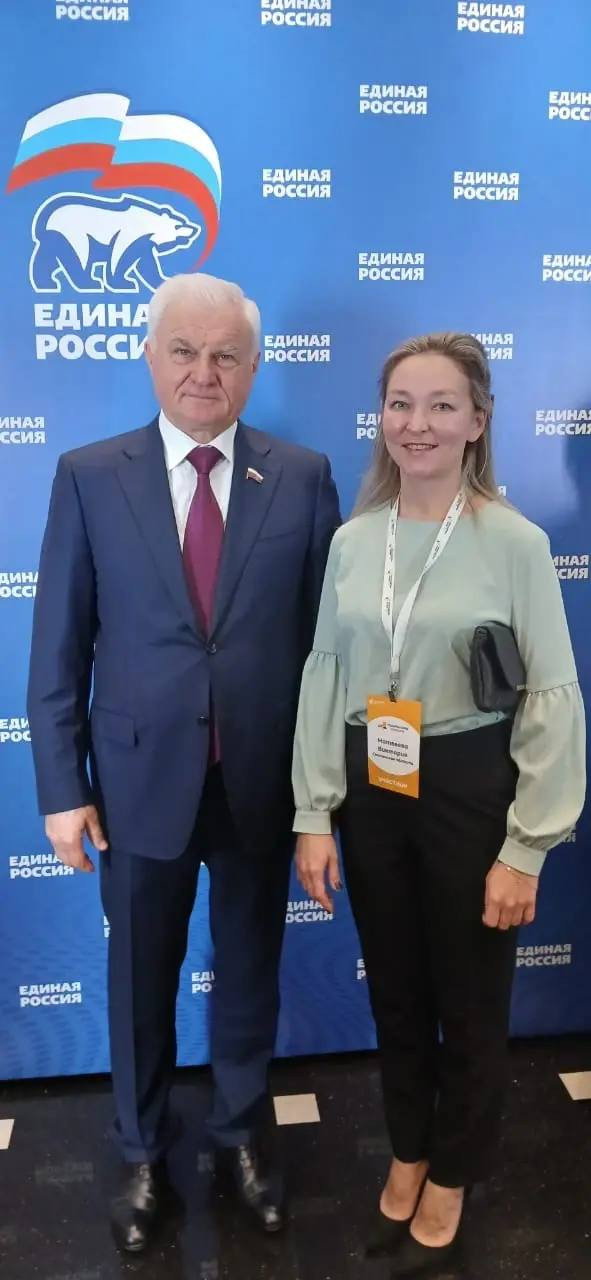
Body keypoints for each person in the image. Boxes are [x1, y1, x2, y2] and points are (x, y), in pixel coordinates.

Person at [27, 272, 340, 1254]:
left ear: (253, 365)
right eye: (184, 351)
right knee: (138, 981)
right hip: (133, 786)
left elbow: (326, 653)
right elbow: (57, 647)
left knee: (250, 972)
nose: (205, 371)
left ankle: (241, 1136)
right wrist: (62, 788)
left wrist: (318, 797)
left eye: (225, 354)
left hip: (259, 781)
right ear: (149, 356)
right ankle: (139, 1150)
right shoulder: (90, 474)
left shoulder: (302, 476)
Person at [292, 333, 585, 1276]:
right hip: (373, 786)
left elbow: (550, 696)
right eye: (400, 404)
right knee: (396, 992)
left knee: (470, 999)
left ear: (477, 421)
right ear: (381, 418)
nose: (416, 424)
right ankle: (408, 1150)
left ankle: (454, 1170)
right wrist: (312, 812)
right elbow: (326, 674)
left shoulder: (514, 542)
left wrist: (524, 848)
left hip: (468, 787)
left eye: (441, 405)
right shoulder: (354, 541)